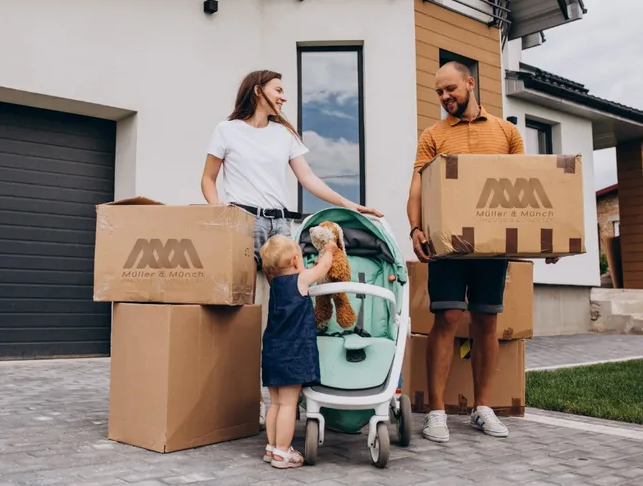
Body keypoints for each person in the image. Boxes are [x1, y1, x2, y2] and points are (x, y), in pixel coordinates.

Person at [201, 69, 382, 428]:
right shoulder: (227, 131)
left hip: (280, 227)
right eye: (278, 90)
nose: (284, 97)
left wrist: (351, 205)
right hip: (242, 223)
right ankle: (243, 400)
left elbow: (309, 179)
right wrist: (219, 214)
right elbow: (208, 179)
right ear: (258, 91)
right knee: (243, 314)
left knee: (284, 313)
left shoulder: (284, 135)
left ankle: (281, 403)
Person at [406, 61, 558, 444]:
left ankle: (482, 408)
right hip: (448, 246)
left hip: (491, 247)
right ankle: (436, 412)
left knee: (486, 322)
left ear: (470, 83)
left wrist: (547, 239)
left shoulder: (507, 133)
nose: (445, 98)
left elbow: (524, 193)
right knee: (447, 317)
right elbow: (418, 187)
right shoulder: (433, 135)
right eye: (439, 92)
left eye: (450, 89)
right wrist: (415, 228)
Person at [258, 234, 335, 468]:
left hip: (273, 352)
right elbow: (323, 268)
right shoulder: (301, 280)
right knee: (289, 405)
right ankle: (283, 452)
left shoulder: (276, 285)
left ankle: (272, 448)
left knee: (276, 404)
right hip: (292, 354)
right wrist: (330, 249)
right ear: (294, 260)